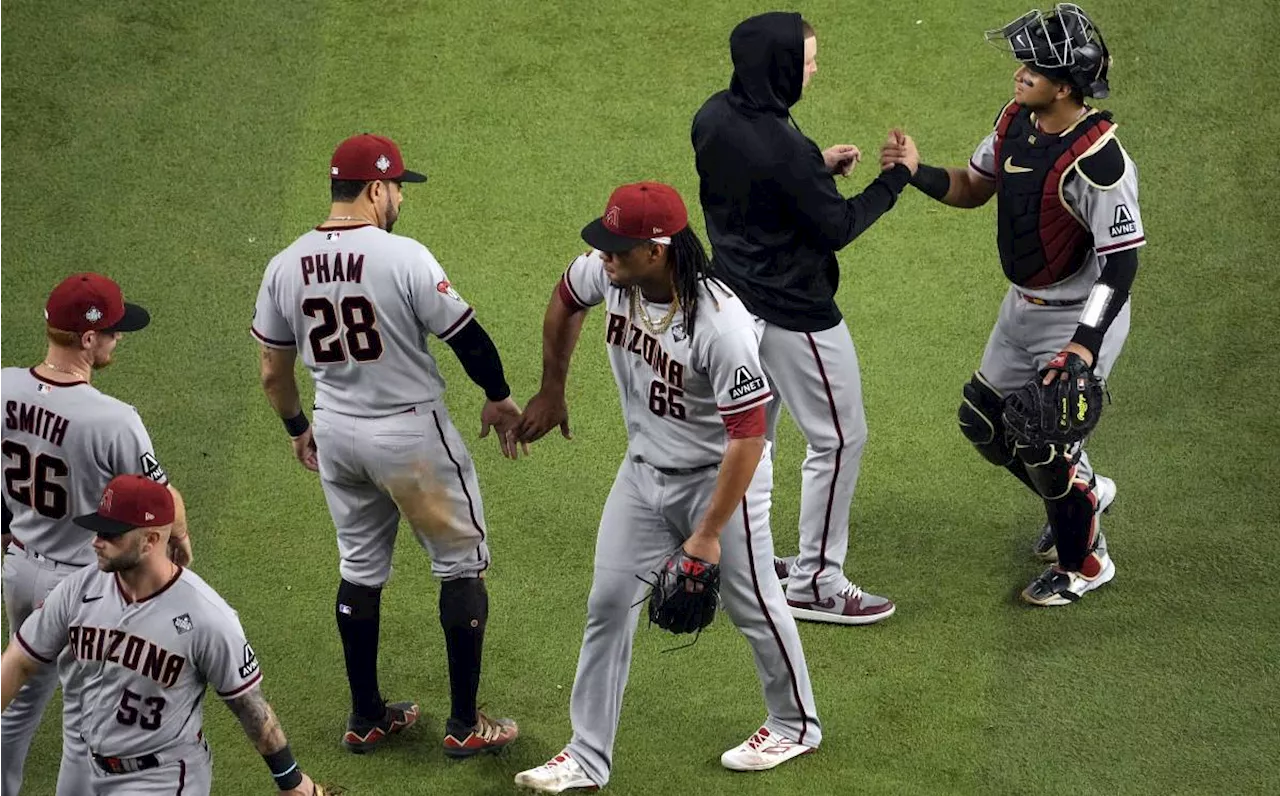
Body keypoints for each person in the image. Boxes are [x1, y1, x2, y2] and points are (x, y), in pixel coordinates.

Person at [513, 182, 821, 792]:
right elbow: (565, 298)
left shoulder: (720, 324)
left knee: (752, 603)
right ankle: (586, 756)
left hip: (720, 480)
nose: (604, 257)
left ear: (657, 251)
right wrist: (553, 386)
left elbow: (748, 435)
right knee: (606, 606)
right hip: (642, 473)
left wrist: (707, 534)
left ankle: (795, 724)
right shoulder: (614, 275)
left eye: (617, 249)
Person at [250, 133, 519, 756]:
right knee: (461, 567)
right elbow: (468, 337)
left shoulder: (285, 264)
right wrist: (499, 395)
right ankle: (462, 725)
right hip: (411, 439)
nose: (399, 198)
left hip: (338, 434)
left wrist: (298, 430)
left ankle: (367, 716)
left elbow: (272, 370)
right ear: (375, 189)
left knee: (360, 569)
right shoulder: (403, 257)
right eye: (397, 186)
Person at [892, 2, 1141, 605]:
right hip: (1022, 307)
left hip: (1080, 314)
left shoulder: (1101, 162)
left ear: (1065, 86)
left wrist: (1084, 343)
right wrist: (914, 172)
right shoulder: (1015, 124)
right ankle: (1081, 493)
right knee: (985, 422)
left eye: (1034, 67)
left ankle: (1085, 562)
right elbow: (973, 186)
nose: (1019, 73)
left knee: (1043, 439)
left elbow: (1121, 262)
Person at [691, 12, 915, 625]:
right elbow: (835, 226)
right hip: (794, 311)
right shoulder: (784, 149)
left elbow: (755, 182)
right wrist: (896, 177)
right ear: (781, 67)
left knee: (748, 435)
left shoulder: (712, 115)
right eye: (808, 59)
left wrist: (814, 165)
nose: (814, 68)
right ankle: (817, 580)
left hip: (733, 302)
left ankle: (731, 547)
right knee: (840, 439)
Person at [0, 475, 322, 795]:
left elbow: (249, 705)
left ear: (151, 540)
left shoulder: (207, 616)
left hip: (159, 778)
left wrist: (291, 780)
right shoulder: (79, 589)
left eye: (111, 534)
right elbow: (19, 662)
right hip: (86, 765)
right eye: (97, 529)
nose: (96, 542)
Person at [0, 273, 191, 795]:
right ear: (87, 339)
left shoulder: (1, 388)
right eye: (111, 330)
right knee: (86, 721)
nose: (118, 336)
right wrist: (180, 544)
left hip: (18, 569)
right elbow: (161, 500)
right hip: (83, 587)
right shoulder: (112, 419)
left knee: (17, 698)